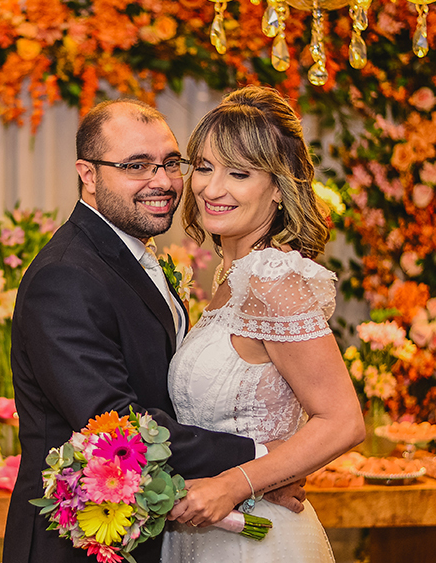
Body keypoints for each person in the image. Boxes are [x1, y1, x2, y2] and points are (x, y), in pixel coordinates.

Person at [2, 99, 303, 563]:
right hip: (77, 545)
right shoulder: (65, 277)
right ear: (88, 174)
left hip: (152, 532)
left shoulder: (130, 256)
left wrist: (241, 482)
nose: (162, 181)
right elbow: (118, 426)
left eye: (171, 163)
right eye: (137, 166)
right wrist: (264, 460)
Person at [161, 86, 365, 562]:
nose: (212, 189)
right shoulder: (232, 278)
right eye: (205, 168)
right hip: (206, 530)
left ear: (278, 187)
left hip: (255, 537)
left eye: (239, 173)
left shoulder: (276, 277)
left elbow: (342, 421)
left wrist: (233, 483)